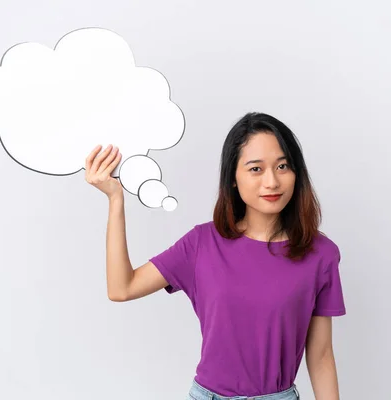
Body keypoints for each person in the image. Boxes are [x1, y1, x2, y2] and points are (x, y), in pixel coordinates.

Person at [85, 112, 346, 400]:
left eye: (283, 166)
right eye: (256, 169)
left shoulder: (320, 254)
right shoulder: (201, 244)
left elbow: (321, 357)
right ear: (233, 178)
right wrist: (115, 199)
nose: (272, 182)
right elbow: (122, 288)